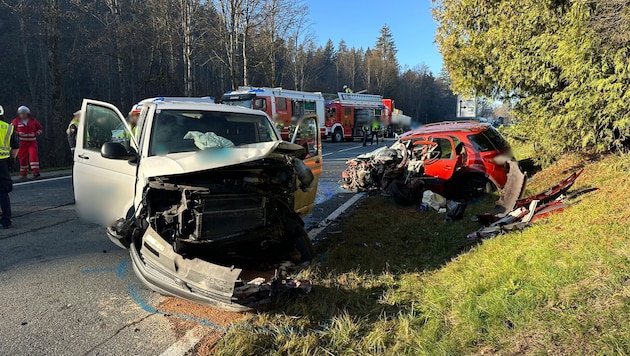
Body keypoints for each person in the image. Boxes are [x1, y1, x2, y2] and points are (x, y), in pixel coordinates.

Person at [0, 107, 20, 228]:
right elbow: (16, 146)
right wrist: (12, 159)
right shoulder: (8, 127)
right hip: (3, 163)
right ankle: (6, 219)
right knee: (3, 191)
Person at [11, 106, 43, 179]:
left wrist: (35, 134)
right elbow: (11, 130)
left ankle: (36, 172)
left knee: (33, 156)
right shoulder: (16, 121)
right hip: (22, 143)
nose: (22, 115)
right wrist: (18, 133)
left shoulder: (33, 121)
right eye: (21, 114)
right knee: (22, 158)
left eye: (24, 114)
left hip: (32, 142)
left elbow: (40, 129)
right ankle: (23, 173)